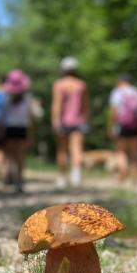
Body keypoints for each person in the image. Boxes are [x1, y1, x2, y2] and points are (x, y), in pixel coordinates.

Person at [52, 57, 89, 189]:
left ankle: (62, 178)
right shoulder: (81, 85)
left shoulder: (59, 85)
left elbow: (57, 105)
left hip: (63, 121)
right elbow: (85, 106)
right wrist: (85, 119)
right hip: (79, 121)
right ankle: (76, 176)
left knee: (62, 150)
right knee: (76, 149)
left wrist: (55, 121)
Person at [109, 73, 137, 183]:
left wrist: (112, 125)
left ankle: (123, 171)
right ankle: (135, 177)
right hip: (135, 125)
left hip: (122, 125)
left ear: (121, 81)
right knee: (135, 152)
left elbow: (114, 111)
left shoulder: (117, 92)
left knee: (121, 151)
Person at [3, 69, 35, 193]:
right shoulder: (27, 99)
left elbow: (3, 117)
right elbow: (30, 118)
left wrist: (0, 130)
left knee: (11, 156)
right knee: (20, 156)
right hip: (22, 129)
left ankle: (11, 177)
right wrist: (31, 134)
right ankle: (19, 180)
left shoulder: (7, 98)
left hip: (10, 128)